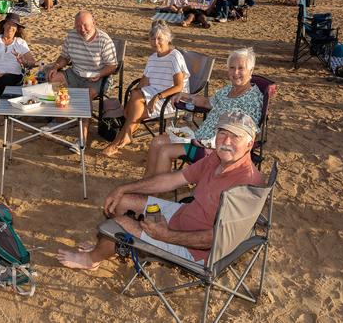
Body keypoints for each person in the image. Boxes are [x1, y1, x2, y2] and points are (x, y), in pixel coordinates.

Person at [57, 111, 264, 270]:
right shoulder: (215, 159)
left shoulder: (246, 186)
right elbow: (171, 180)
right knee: (122, 201)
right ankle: (104, 247)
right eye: (222, 133)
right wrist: (123, 188)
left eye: (235, 136)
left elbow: (215, 238)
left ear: (250, 144)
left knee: (119, 225)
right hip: (181, 217)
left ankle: (91, 260)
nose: (226, 141)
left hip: (193, 251)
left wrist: (166, 236)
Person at [144, 47, 263, 177]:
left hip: (212, 148)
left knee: (165, 151)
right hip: (198, 138)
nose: (235, 73)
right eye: (232, 68)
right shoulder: (228, 89)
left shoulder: (252, 99)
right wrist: (184, 95)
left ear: (251, 71)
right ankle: (145, 183)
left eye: (241, 68)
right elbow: (207, 102)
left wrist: (220, 141)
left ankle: (153, 193)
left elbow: (251, 133)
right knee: (157, 142)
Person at [101, 23, 189, 157]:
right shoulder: (153, 58)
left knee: (135, 105)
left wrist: (158, 96)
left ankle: (117, 141)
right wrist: (130, 103)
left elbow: (179, 86)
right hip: (150, 96)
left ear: (168, 39)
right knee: (135, 98)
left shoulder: (174, 56)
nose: (156, 42)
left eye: (159, 38)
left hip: (170, 99)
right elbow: (143, 82)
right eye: (152, 39)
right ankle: (124, 138)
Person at [47, 11, 118, 144]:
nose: (82, 29)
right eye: (78, 26)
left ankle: (82, 138)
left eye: (85, 25)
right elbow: (64, 57)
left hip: (99, 76)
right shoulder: (72, 35)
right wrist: (56, 67)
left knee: (85, 97)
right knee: (54, 80)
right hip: (76, 73)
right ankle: (61, 120)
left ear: (94, 23)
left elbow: (112, 66)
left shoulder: (104, 40)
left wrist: (100, 74)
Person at [0, 13, 36, 126]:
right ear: (3, 25)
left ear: (17, 29)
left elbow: (32, 62)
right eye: (8, 24)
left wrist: (23, 61)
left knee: (4, 80)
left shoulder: (21, 43)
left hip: (13, 75)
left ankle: (0, 113)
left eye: (14, 25)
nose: (10, 27)